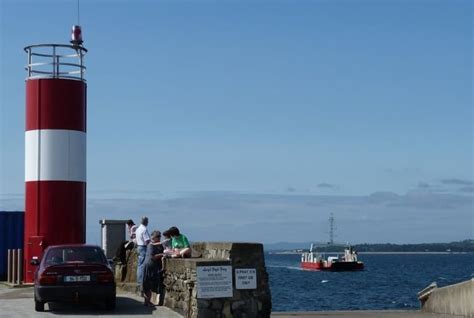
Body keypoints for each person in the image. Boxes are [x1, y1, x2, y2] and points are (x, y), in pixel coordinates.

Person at [142, 230, 164, 306]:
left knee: (149, 284)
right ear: (153, 237)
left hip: (153, 266)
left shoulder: (158, 245)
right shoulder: (150, 245)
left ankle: (147, 301)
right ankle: (147, 301)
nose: (159, 238)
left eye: (159, 236)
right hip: (149, 265)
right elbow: (152, 257)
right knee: (148, 284)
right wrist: (162, 254)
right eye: (157, 236)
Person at [135, 216, 151, 286]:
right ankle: (141, 281)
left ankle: (139, 281)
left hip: (139, 246)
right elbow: (147, 240)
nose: (148, 222)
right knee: (142, 265)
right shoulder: (144, 229)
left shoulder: (138, 229)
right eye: (147, 221)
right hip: (143, 247)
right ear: (146, 222)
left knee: (139, 265)